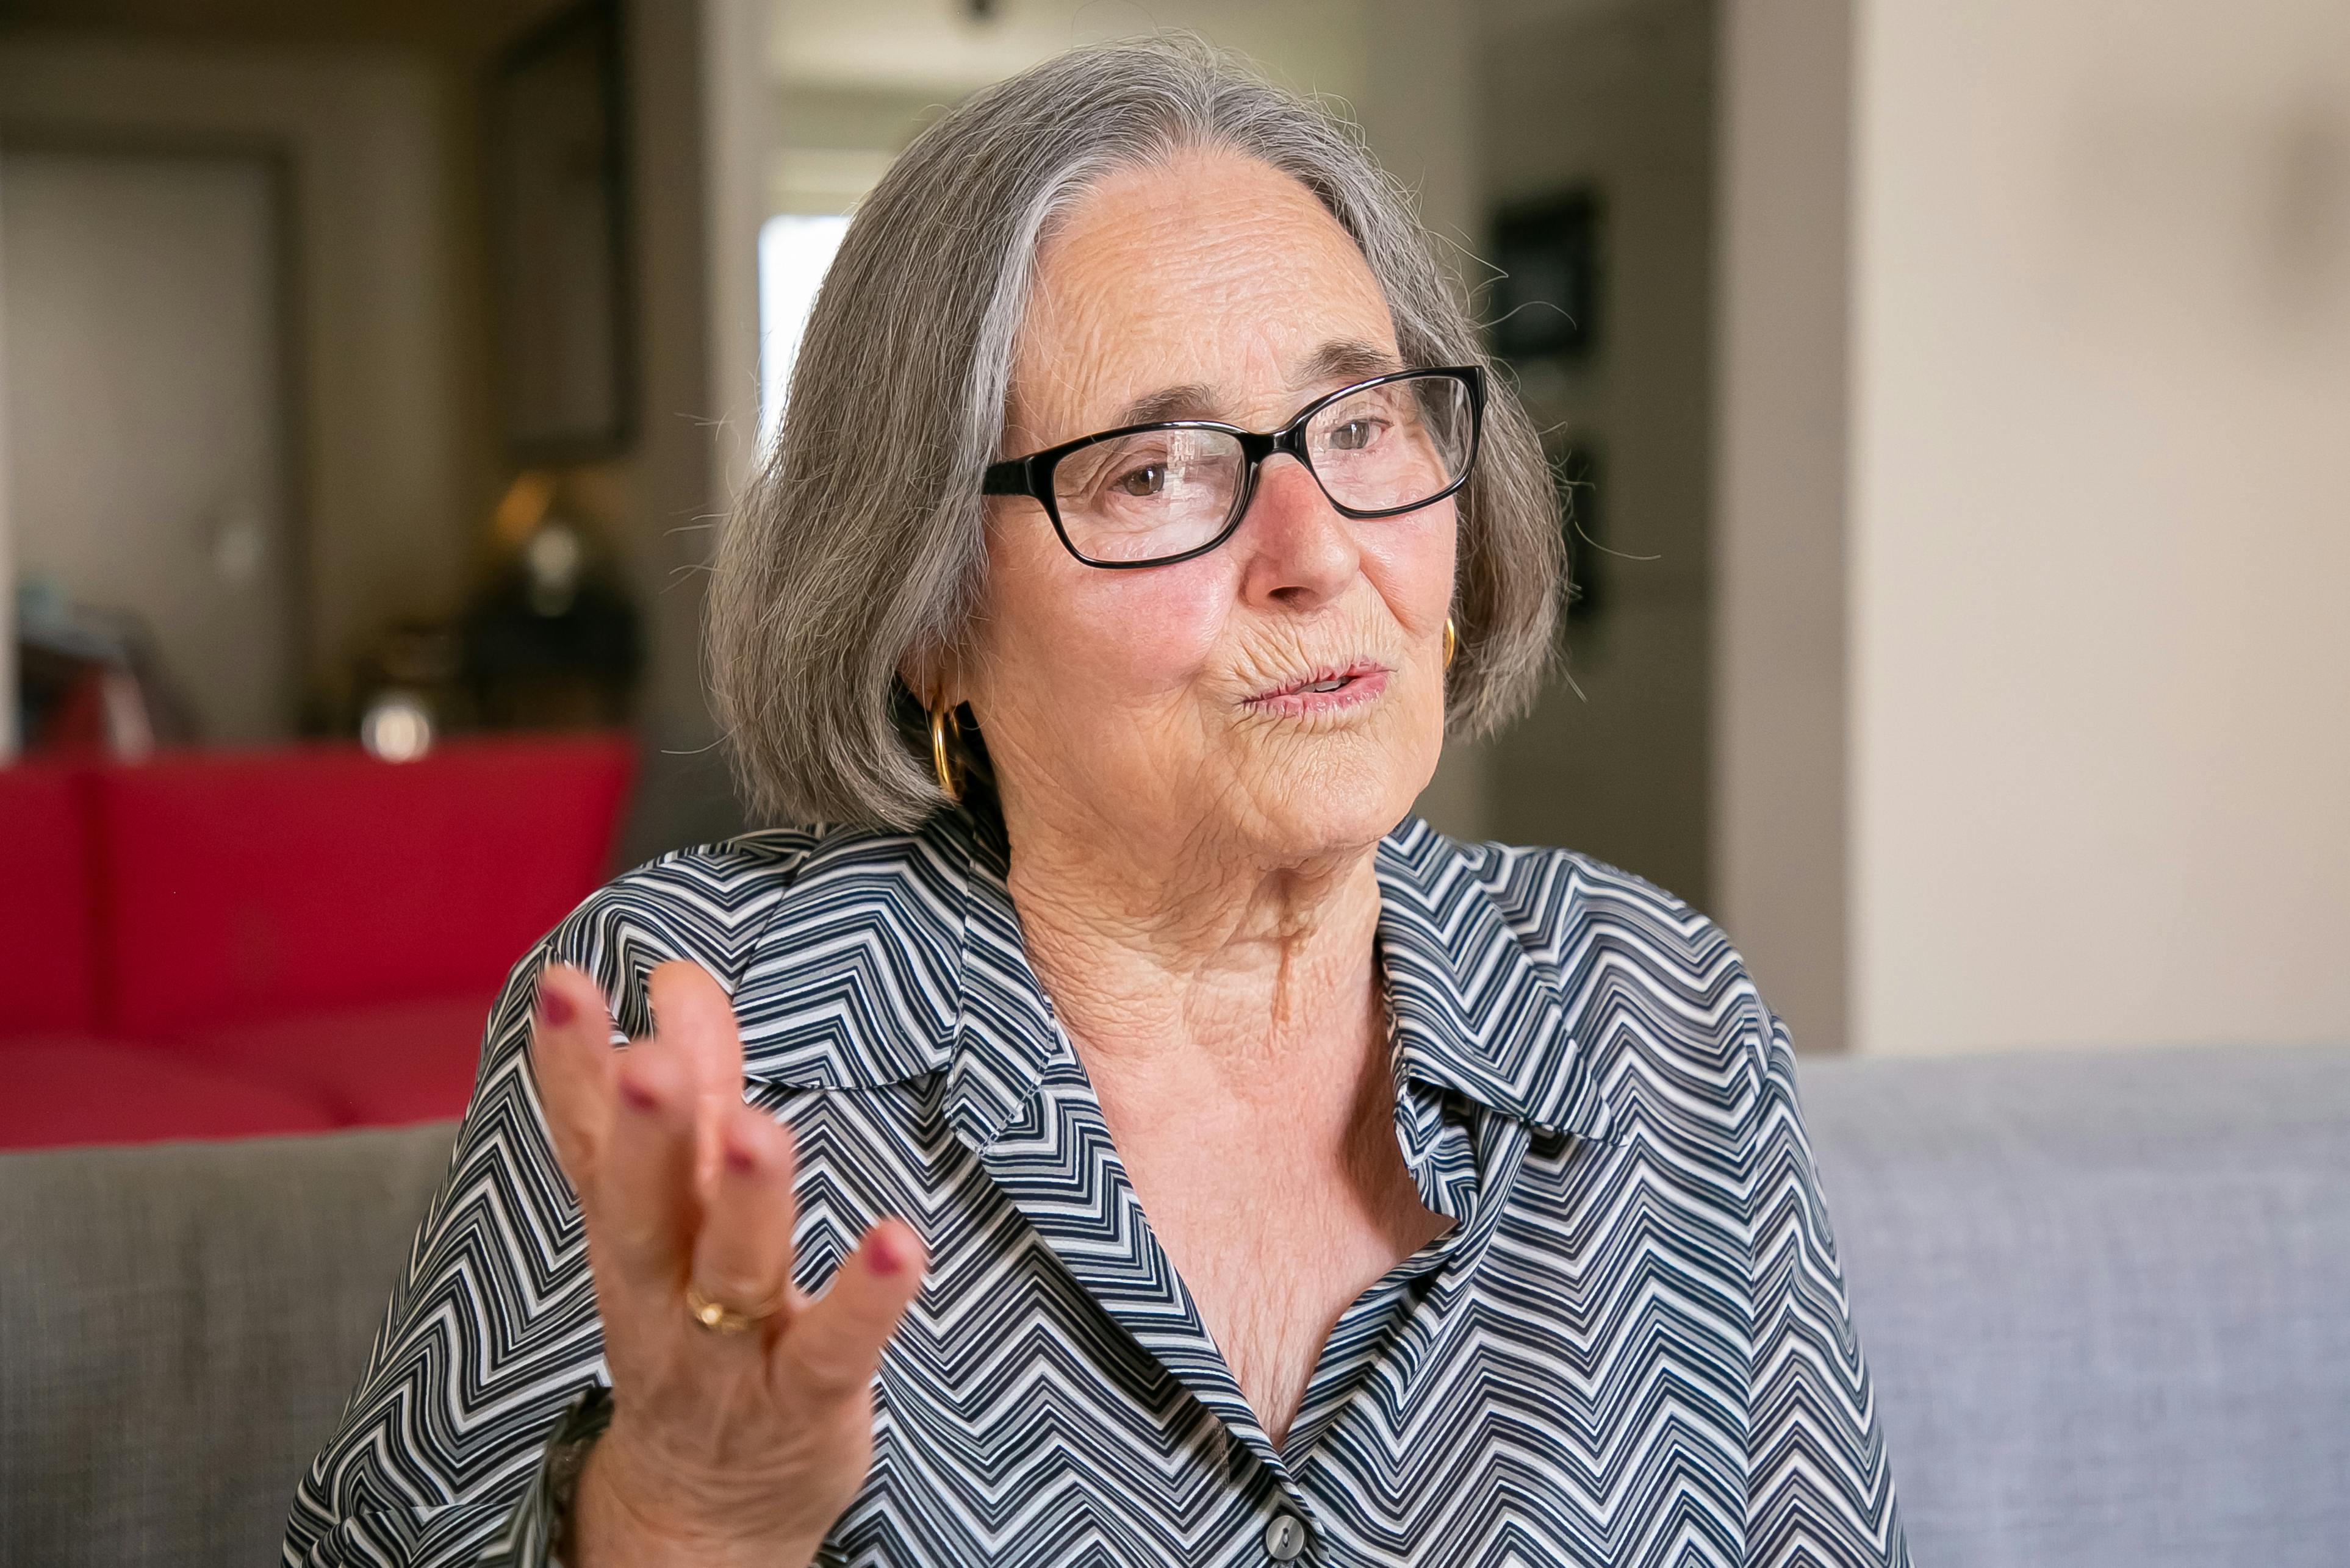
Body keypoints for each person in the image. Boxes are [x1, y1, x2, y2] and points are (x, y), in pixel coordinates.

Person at [286, 38, 1906, 1568]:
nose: (1316, 546)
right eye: (1155, 472)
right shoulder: (708, 1022)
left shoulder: (1653, 1005)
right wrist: (685, 1524)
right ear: (925, 611)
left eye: (1361, 425)